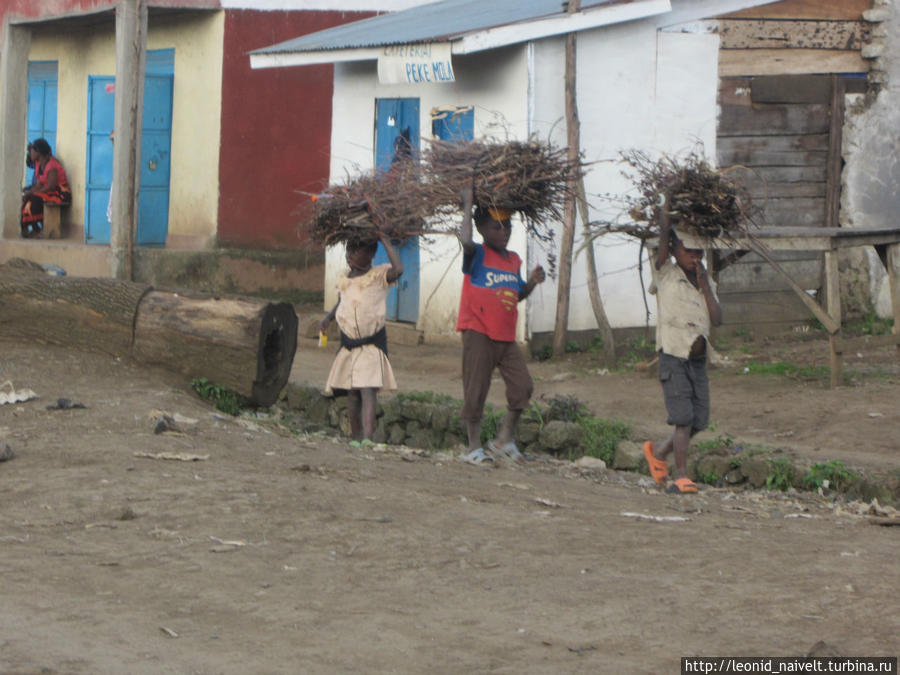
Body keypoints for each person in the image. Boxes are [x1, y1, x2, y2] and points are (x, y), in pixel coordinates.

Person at [457, 184, 545, 464]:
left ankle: (504, 439)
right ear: (482, 229)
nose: (503, 232)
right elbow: (467, 243)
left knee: (523, 387)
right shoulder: (477, 255)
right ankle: (473, 448)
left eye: (507, 227)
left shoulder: (513, 260)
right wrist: (467, 207)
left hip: (505, 337)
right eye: (496, 227)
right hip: (478, 331)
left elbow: (515, 294)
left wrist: (531, 281)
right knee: (476, 389)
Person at [643, 197, 723, 493]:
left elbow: (717, 319)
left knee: (699, 420)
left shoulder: (707, 281)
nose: (693, 255)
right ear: (675, 250)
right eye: (687, 249)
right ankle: (681, 476)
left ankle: (659, 453)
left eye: (698, 251)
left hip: (698, 361)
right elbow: (663, 241)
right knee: (683, 419)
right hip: (674, 357)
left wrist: (705, 287)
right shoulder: (665, 274)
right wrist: (666, 220)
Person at [318, 226, 404, 442]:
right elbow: (341, 303)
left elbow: (399, 269)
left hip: (371, 346)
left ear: (371, 254)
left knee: (367, 390)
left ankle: (367, 437)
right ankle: (355, 437)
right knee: (352, 393)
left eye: (355, 252)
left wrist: (384, 238)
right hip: (349, 345)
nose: (349, 256)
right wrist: (328, 318)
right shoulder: (344, 278)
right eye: (348, 251)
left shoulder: (379, 276)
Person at [21, 138, 71, 238]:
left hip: (60, 193)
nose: (30, 153)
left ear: (38, 152)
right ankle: (34, 229)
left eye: (32, 151)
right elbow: (39, 184)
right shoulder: (41, 164)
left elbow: (51, 186)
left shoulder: (52, 164)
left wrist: (34, 193)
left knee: (34, 199)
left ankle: (40, 230)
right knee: (26, 197)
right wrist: (30, 192)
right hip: (51, 191)